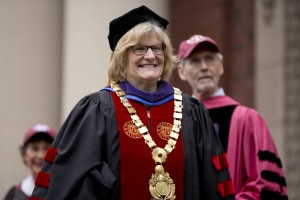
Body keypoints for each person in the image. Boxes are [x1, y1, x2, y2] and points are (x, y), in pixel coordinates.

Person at [30, 6, 235, 200]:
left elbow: (214, 182)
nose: (150, 56)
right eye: (139, 48)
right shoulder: (98, 109)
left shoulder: (191, 111)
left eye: (157, 48)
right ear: (122, 57)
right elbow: (69, 181)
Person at [177, 34, 288, 199]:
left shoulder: (248, 119)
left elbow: (264, 185)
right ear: (181, 72)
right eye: (195, 61)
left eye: (209, 59)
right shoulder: (177, 121)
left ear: (220, 67)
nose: (204, 66)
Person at [4, 124, 56, 200]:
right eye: (35, 148)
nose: (41, 155)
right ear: (24, 154)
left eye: (47, 149)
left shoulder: (65, 191)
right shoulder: (14, 194)